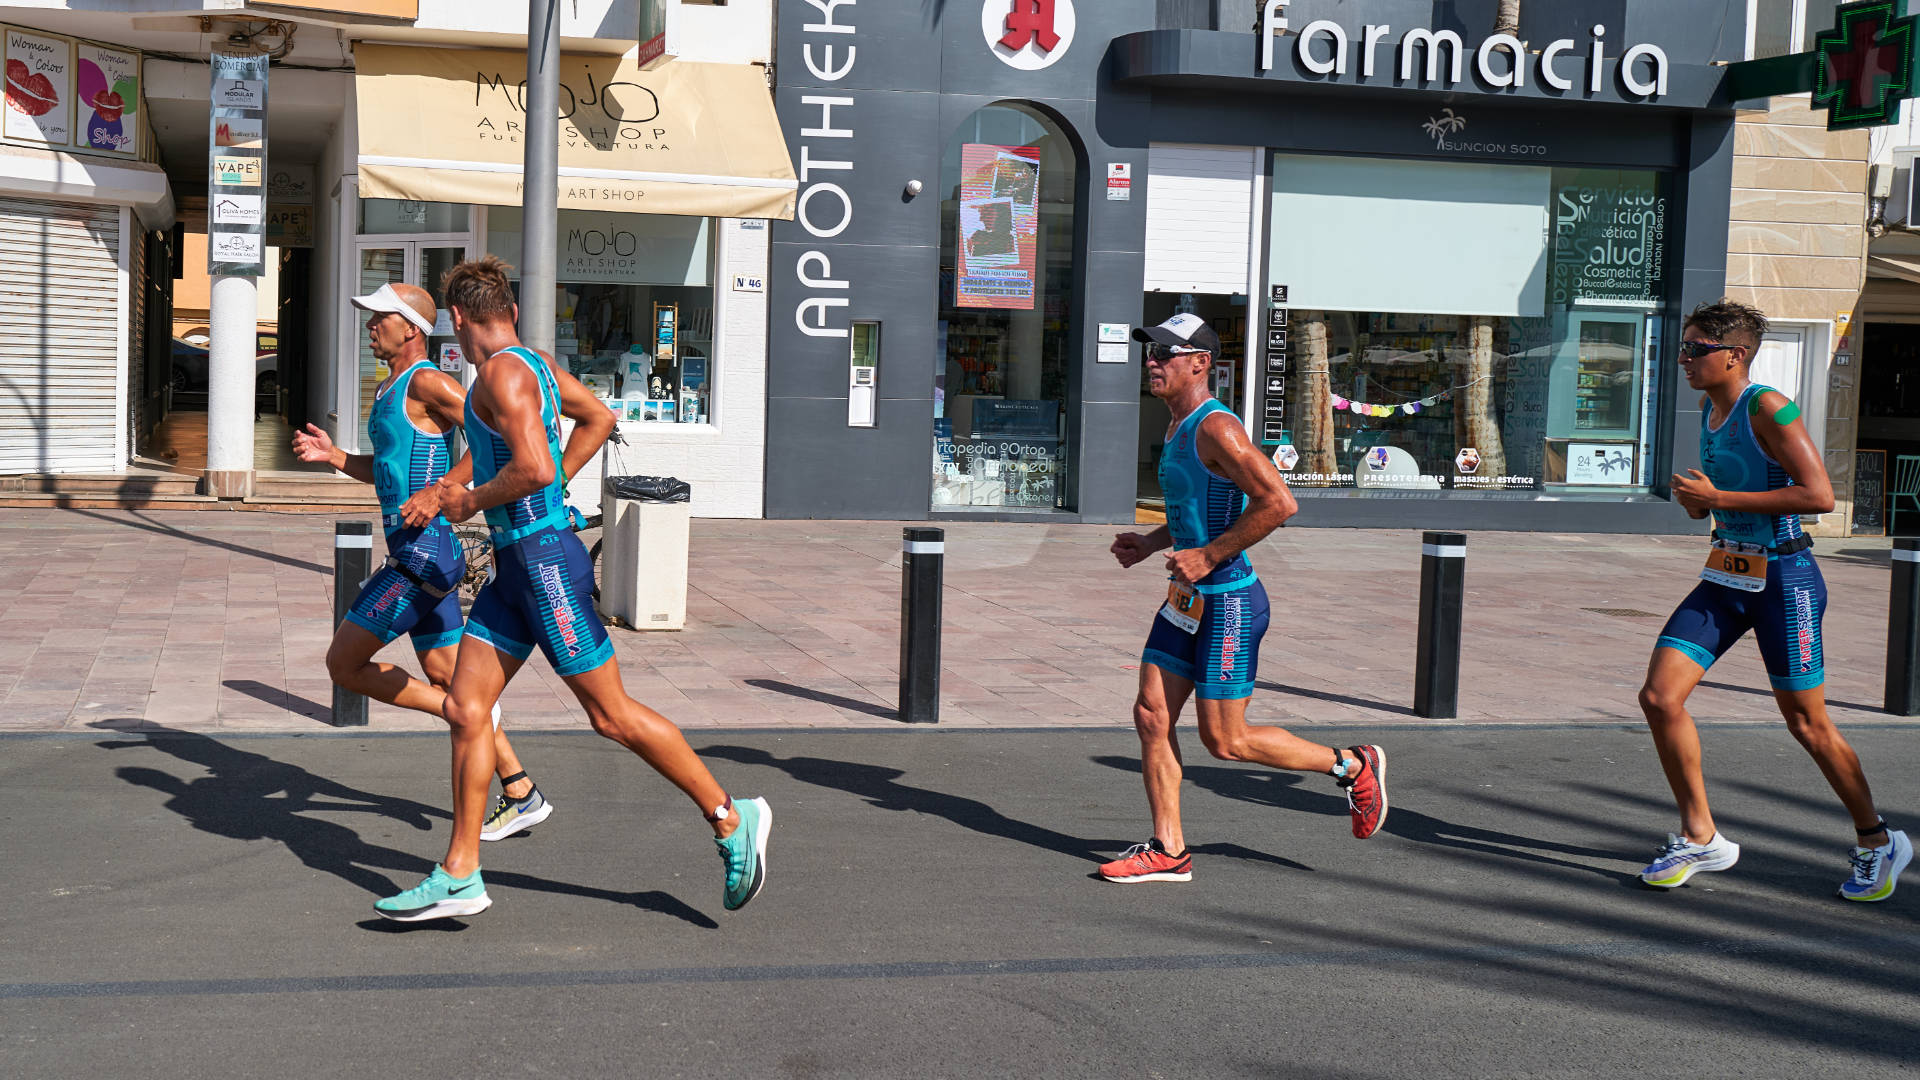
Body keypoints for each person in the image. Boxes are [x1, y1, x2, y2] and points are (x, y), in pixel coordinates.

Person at [372, 255, 769, 922]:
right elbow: (599, 421)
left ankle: (733, 818)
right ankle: (460, 873)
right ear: (514, 311)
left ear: (460, 319)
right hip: (516, 567)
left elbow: (529, 467)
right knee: (469, 709)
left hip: (546, 563)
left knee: (609, 714)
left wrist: (469, 499)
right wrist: (545, 485)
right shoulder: (538, 368)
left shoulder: (501, 373)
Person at [1099, 314, 1387, 885]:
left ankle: (1353, 766)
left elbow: (1279, 502)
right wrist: (1153, 541)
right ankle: (1168, 849)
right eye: (1149, 352)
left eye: (1164, 353)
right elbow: (1202, 512)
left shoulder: (1216, 427)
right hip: (1187, 601)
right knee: (1152, 715)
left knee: (1226, 742)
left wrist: (1207, 557)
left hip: (1229, 601)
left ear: (1200, 363)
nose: (1152, 361)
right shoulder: (1180, 425)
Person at [1638, 299, 1909, 900]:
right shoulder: (1712, 409)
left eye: (1695, 349)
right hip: (1727, 576)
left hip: (1786, 582)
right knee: (1659, 698)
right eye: (1682, 348)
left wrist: (1722, 499)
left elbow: (1819, 496)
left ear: (1734, 356)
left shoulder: (1768, 406)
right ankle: (1701, 835)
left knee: (1808, 724)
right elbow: (1728, 495)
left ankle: (1876, 839)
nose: (1683, 359)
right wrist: (1701, 504)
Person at [292, 282, 554, 845]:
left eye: (378, 318)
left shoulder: (429, 381)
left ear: (410, 328)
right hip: (417, 552)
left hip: (423, 557)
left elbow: (490, 438)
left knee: (344, 664)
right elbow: (387, 473)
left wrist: (442, 491)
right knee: (446, 673)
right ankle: (520, 789)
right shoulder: (388, 389)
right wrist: (335, 457)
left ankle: (456, 712)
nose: (369, 326)